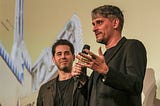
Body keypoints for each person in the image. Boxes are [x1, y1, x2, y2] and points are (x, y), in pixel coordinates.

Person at [73, 5, 147, 106]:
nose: (94, 29)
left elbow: (135, 85)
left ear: (115, 23)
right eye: (93, 24)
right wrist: (82, 78)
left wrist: (106, 72)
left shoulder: (132, 46)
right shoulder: (102, 58)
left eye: (99, 22)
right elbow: (95, 97)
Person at [36, 39, 87, 106]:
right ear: (53, 59)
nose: (63, 57)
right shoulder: (44, 89)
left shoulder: (84, 82)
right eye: (59, 54)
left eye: (67, 53)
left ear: (73, 57)